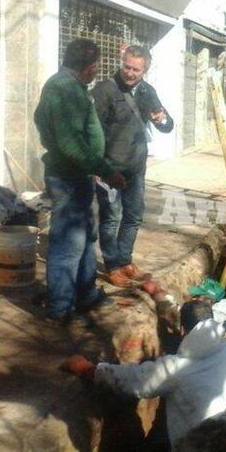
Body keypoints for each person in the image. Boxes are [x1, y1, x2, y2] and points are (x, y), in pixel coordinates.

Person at [64, 287, 226, 452]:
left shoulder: (176, 369)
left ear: (181, 329)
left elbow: (134, 380)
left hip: (200, 451)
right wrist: (158, 292)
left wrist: (87, 369)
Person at [34, 39, 126, 325]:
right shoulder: (63, 89)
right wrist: (105, 169)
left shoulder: (66, 86)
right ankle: (60, 307)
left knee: (86, 236)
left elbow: (42, 119)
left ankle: (86, 293)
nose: (97, 71)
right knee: (68, 243)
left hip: (77, 176)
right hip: (68, 178)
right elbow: (70, 143)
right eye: (96, 65)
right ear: (89, 67)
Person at [91, 45, 174, 287]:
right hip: (110, 168)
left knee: (134, 215)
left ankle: (125, 260)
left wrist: (162, 119)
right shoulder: (105, 90)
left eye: (136, 69)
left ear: (144, 69)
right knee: (110, 218)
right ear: (122, 62)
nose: (130, 73)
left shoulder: (148, 91)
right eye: (126, 67)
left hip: (136, 166)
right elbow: (93, 130)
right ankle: (112, 266)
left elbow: (167, 126)